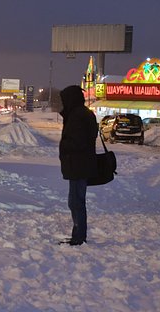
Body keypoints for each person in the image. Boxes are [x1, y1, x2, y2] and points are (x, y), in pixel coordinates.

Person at [59, 85, 98, 245]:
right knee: (75, 201)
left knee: (76, 201)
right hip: (79, 164)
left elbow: (78, 141)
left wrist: (66, 146)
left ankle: (79, 236)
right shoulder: (81, 114)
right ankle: (78, 234)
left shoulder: (78, 115)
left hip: (78, 164)